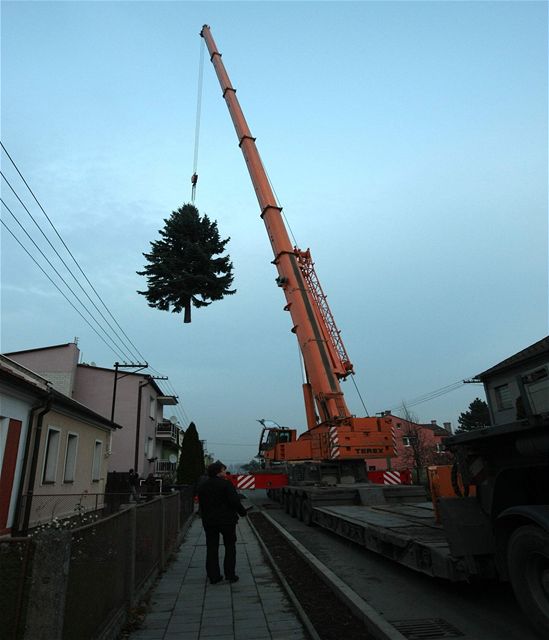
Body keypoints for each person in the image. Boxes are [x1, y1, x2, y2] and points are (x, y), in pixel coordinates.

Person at [197, 461, 247, 584]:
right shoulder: (226, 484)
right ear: (219, 472)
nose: (225, 472)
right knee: (230, 547)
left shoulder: (203, 485)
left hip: (209, 521)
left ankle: (214, 576)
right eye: (223, 470)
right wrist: (242, 512)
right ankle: (230, 574)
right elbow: (234, 501)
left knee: (211, 548)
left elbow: (201, 503)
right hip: (227, 521)